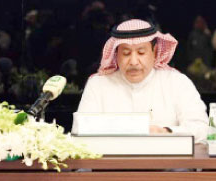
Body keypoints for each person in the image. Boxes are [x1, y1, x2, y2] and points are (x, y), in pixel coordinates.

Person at [75, 19, 208, 142]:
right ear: (116, 54)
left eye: (141, 52)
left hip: (169, 167)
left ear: (155, 52)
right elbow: (79, 130)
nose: (133, 62)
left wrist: (166, 132)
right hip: (111, 167)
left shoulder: (177, 82)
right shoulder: (98, 85)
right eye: (126, 53)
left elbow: (201, 128)